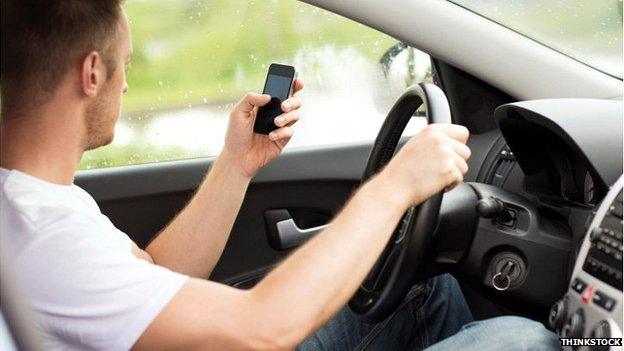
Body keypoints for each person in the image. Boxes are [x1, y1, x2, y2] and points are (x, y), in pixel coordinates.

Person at [0, 1, 560, 350]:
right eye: (123, 63)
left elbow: (156, 272)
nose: (124, 85)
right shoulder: (43, 238)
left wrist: (235, 164)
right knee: (524, 339)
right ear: (92, 72)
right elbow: (258, 331)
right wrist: (394, 188)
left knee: (426, 291)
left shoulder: (37, 203)